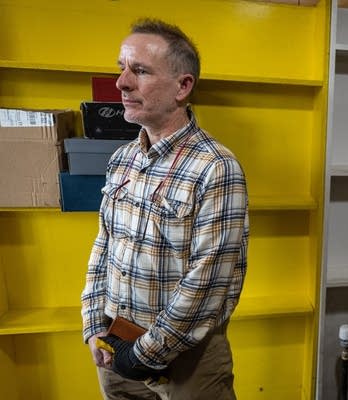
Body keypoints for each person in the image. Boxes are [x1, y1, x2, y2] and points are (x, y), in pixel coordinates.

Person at [81, 18, 249, 400]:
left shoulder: (216, 167)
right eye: (121, 69)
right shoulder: (122, 159)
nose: (121, 82)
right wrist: (94, 324)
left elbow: (206, 283)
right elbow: (103, 247)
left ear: (183, 86)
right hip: (115, 343)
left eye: (139, 70)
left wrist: (144, 353)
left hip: (189, 359)